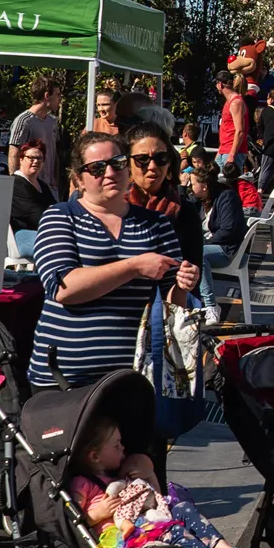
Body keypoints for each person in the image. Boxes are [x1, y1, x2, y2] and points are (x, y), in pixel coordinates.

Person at [29, 133, 201, 386]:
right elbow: (64, 289)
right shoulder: (60, 217)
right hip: (64, 375)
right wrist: (134, 266)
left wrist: (183, 285)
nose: (110, 172)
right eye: (97, 168)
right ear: (79, 179)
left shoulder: (156, 224)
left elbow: (171, 303)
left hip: (135, 372)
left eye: (118, 163)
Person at [70, 414, 262, 548]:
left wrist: (148, 474)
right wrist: (97, 514)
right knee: (174, 531)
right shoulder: (82, 483)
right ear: (94, 456)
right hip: (126, 537)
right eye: (116, 445)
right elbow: (72, 519)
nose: (123, 448)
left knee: (183, 508)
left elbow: (157, 494)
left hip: (146, 519)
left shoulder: (120, 473)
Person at [122, 123, 201, 268]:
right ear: (128, 164)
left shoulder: (185, 211)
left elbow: (194, 270)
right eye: (142, 159)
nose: (152, 166)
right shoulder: (115, 208)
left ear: (169, 163)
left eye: (160, 158)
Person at [8, 77, 63, 192]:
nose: (60, 99)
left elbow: (54, 153)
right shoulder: (24, 121)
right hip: (29, 186)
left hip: (50, 187)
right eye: (58, 95)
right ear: (47, 95)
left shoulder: (52, 121)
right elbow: (14, 154)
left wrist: (56, 180)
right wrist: (17, 186)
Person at [9, 138, 56, 258]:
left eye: (40, 158)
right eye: (31, 158)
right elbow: (34, 214)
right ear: (21, 159)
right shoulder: (15, 183)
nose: (36, 161)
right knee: (59, 247)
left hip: (45, 232)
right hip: (21, 235)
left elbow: (55, 209)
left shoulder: (42, 185)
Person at [214, 72, 251, 171]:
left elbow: (240, 131)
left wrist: (232, 155)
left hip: (232, 152)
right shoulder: (229, 102)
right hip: (224, 150)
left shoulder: (236, 102)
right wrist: (219, 151)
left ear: (220, 85)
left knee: (229, 183)